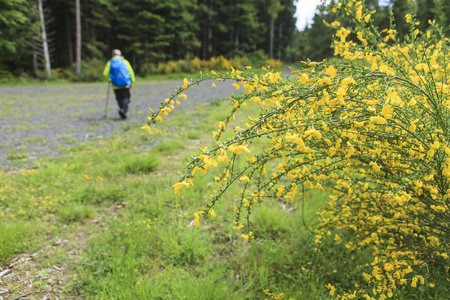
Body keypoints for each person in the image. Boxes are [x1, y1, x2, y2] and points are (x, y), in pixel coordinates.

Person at [103, 49, 136, 119]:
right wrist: (132, 82)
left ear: (112, 55)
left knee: (119, 98)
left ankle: (122, 109)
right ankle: (123, 110)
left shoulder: (110, 62)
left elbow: (105, 73)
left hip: (115, 85)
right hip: (125, 84)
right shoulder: (125, 62)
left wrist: (109, 80)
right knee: (126, 97)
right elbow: (131, 72)